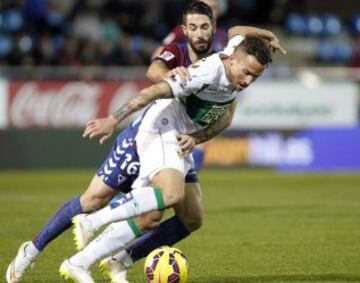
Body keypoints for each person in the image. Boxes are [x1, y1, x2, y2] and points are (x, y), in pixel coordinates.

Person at [6, 2, 284, 283]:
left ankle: (113, 262)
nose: (199, 34)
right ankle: (32, 250)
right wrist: (123, 112)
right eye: (193, 27)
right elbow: (154, 76)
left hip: (178, 136)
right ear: (184, 29)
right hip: (154, 129)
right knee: (93, 200)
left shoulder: (232, 47)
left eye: (205, 26)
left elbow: (238, 34)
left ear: (215, 28)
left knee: (183, 217)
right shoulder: (183, 53)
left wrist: (266, 34)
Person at [58, 34, 273, 283]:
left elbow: (239, 31)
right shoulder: (205, 74)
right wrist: (113, 120)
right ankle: (93, 220)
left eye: (255, 77)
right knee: (171, 195)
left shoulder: (238, 52)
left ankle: (107, 262)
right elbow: (152, 91)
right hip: (162, 126)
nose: (248, 81)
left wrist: (269, 38)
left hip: (182, 136)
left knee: (191, 218)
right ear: (233, 59)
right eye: (246, 72)